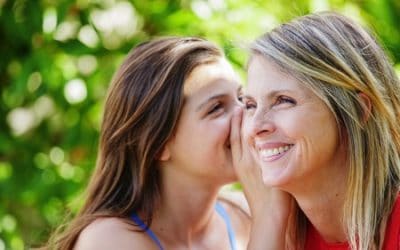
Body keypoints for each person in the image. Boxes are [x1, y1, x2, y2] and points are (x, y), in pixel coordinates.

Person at [45, 36, 287, 250]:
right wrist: (268, 220)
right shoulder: (108, 240)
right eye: (216, 108)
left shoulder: (244, 213)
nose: (246, 116)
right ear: (158, 143)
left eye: (242, 98)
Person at [232, 12, 400, 250]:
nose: (257, 127)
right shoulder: (276, 231)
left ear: (357, 110)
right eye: (250, 105)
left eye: (283, 100)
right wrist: (268, 220)